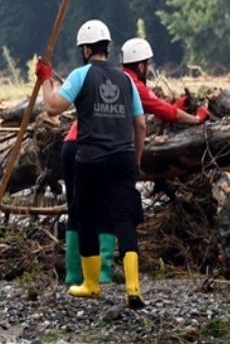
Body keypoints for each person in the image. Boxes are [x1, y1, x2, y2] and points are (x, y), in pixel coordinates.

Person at [60, 37, 210, 286]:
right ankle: (102, 273)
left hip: (72, 145)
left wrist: (174, 106)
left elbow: (156, 108)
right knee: (109, 211)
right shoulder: (129, 83)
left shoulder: (109, 77)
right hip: (96, 148)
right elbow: (160, 113)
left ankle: (75, 274)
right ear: (141, 65)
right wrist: (196, 119)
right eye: (147, 65)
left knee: (79, 210)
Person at [39, 20, 147, 309]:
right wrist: (136, 159)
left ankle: (91, 285)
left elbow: (52, 107)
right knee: (124, 220)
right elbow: (140, 125)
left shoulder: (81, 74)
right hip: (123, 158)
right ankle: (133, 287)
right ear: (107, 48)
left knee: (86, 217)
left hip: (91, 158)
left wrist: (46, 78)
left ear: (86, 50)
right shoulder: (126, 80)